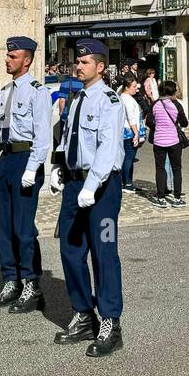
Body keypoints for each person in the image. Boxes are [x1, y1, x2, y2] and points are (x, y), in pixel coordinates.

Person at [49, 38, 124, 358]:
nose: (77, 66)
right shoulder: (77, 97)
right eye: (76, 62)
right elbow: (69, 139)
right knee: (70, 250)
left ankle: (110, 321)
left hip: (102, 189)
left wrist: (91, 187)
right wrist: (58, 166)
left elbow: (107, 149)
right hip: (73, 186)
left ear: (101, 67)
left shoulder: (109, 101)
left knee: (104, 253)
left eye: (84, 62)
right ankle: (83, 313)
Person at [0, 36, 54, 313]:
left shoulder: (38, 93)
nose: (7, 59)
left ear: (26, 60)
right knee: (2, 226)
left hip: (26, 159)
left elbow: (43, 137)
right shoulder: (3, 92)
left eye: (12, 56)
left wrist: (33, 168)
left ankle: (31, 283)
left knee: (23, 229)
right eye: (7, 54)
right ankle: (11, 280)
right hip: (6, 159)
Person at [148, 80, 188, 209]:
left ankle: (161, 197)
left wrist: (158, 126)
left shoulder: (155, 104)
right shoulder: (176, 105)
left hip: (159, 141)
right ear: (173, 91)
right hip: (174, 141)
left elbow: (149, 121)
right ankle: (177, 198)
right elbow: (184, 123)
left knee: (160, 169)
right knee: (176, 169)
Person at [119, 74, 143, 192]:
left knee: (128, 157)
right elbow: (130, 117)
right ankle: (127, 183)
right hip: (129, 131)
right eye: (134, 86)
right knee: (129, 157)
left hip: (125, 130)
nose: (136, 89)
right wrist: (136, 133)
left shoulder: (123, 97)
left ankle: (128, 181)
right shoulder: (127, 99)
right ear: (127, 87)